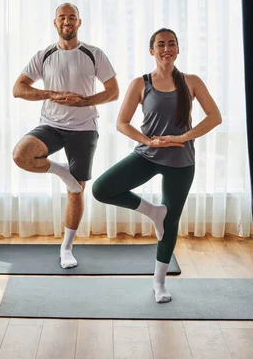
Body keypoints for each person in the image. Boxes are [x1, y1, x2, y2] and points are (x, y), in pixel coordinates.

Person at [92, 28, 222, 303]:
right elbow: (122, 122)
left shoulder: (192, 81)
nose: (166, 48)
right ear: (151, 51)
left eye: (171, 44)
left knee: (171, 220)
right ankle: (152, 211)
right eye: (160, 44)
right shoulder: (141, 83)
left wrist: (183, 137)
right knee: (102, 189)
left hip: (181, 160)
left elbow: (214, 117)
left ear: (178, 49)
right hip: (147, 155)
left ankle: (159, 283)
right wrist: (148, 141)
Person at [12, 3, 119, 269]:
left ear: (79, 22)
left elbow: (113, 91)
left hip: (83, 128)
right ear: (55, 22)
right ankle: (62, 171)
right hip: (51, 124)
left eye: (72, 17)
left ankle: (67, 248)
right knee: (21, 155)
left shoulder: (94, 54)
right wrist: (51, 94)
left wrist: (84, 102)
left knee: (76, 192)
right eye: (62, 17)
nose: (67, 21)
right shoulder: (44, 54)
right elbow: (18, 89)